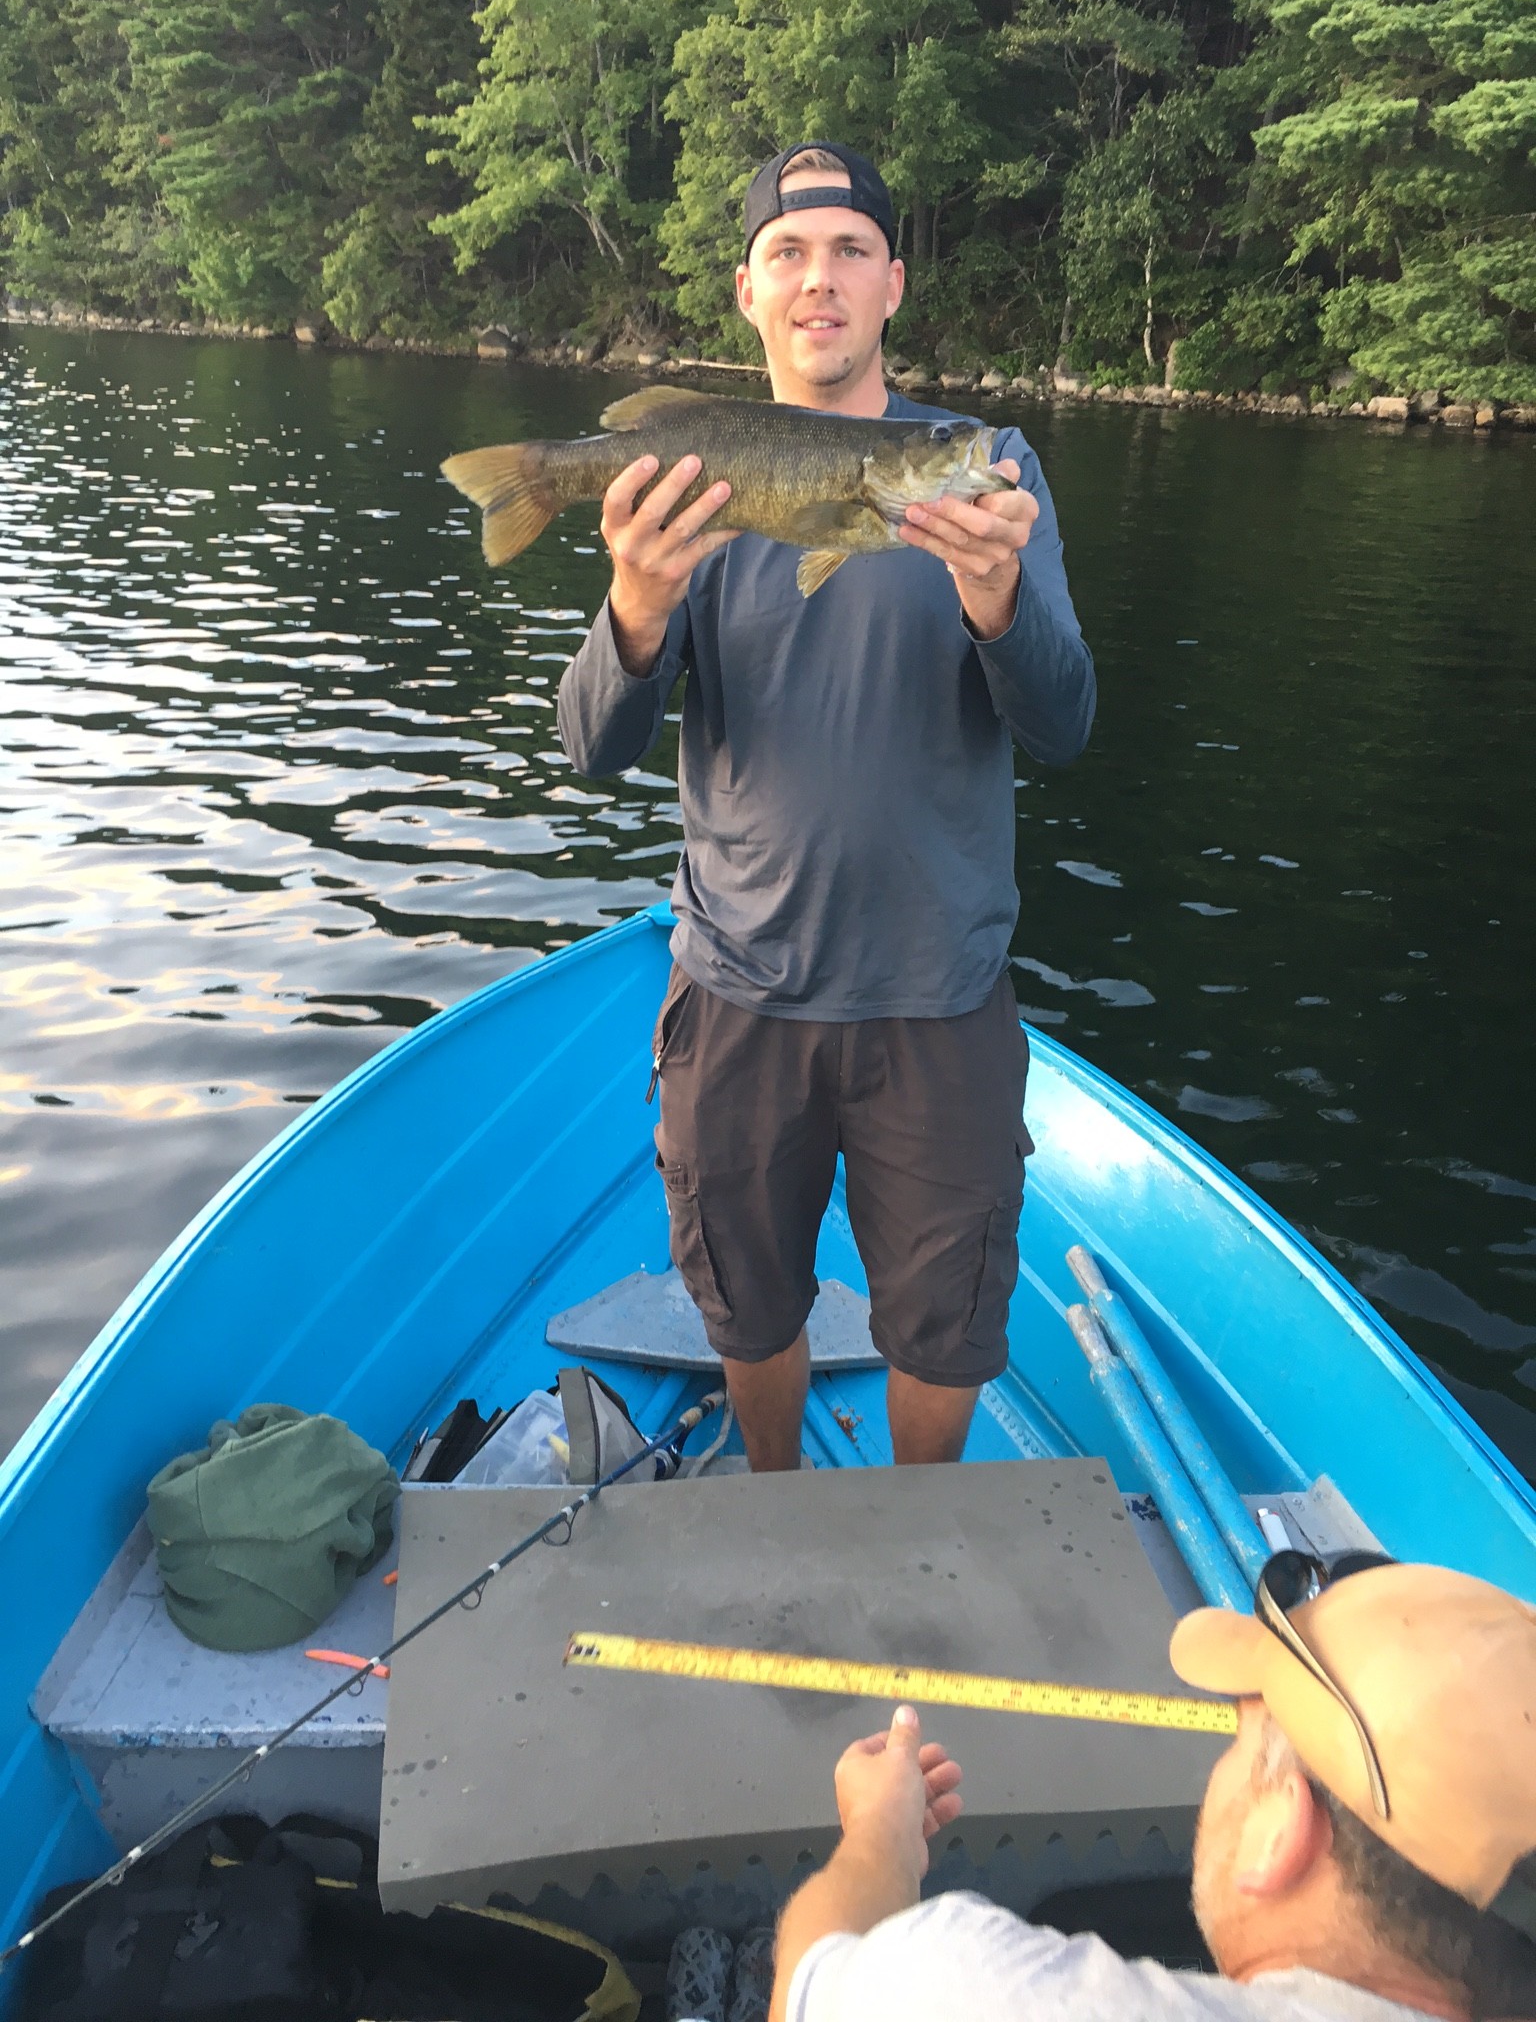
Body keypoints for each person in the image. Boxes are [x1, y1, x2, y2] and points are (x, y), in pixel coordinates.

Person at [557, 142, 1096, 1472]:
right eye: (789, 254)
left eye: (851, 250)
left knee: (945, 1327)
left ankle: (914, 1527)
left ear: (893, 283)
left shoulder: (989, 468)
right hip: (740, 989)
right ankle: (777, 1491)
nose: (821, 280)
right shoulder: (699, 474)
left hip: (939, 994)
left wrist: (997, 606)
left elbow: (1067, 722)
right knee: (747, 1299)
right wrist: (638, 604)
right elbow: (588, 750)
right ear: (749, 291)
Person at [768, 1559, 1536, 2020]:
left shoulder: (964, 1988)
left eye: (1240, 1742)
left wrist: (879, 1833)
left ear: (1281, 1836)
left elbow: (812, 1980)